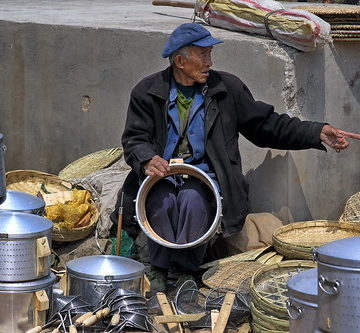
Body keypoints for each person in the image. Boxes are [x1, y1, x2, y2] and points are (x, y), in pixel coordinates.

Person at [112, 22, 360, 295]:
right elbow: (135, 139)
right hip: (160, 175)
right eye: (203, 55)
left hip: (205, 176)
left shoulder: (225, 88)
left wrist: (316, 132)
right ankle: (158, 269)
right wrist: (147, 159)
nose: (210, 62)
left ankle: (185, 273)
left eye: (210, 54)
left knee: (193, 201)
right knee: (162, 200)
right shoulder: (148, 92)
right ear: (180, 61)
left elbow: (267, 125)